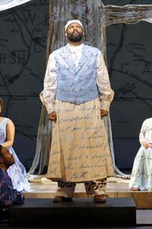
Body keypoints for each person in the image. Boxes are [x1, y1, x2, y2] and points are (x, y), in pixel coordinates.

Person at [40, 19, 114, 203]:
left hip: (90, 104)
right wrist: (50, 106)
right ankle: (65, 190)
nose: (75, 29)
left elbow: (103, 79)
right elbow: (49, 82)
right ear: (66, 32)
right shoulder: (56, 55)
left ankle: (98, 190)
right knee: (67, 146)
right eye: (72, 27)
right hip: (64, 105)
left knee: (92, 146)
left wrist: (105, 104)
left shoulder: (94, 53)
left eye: (78, 27)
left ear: (82, 32)